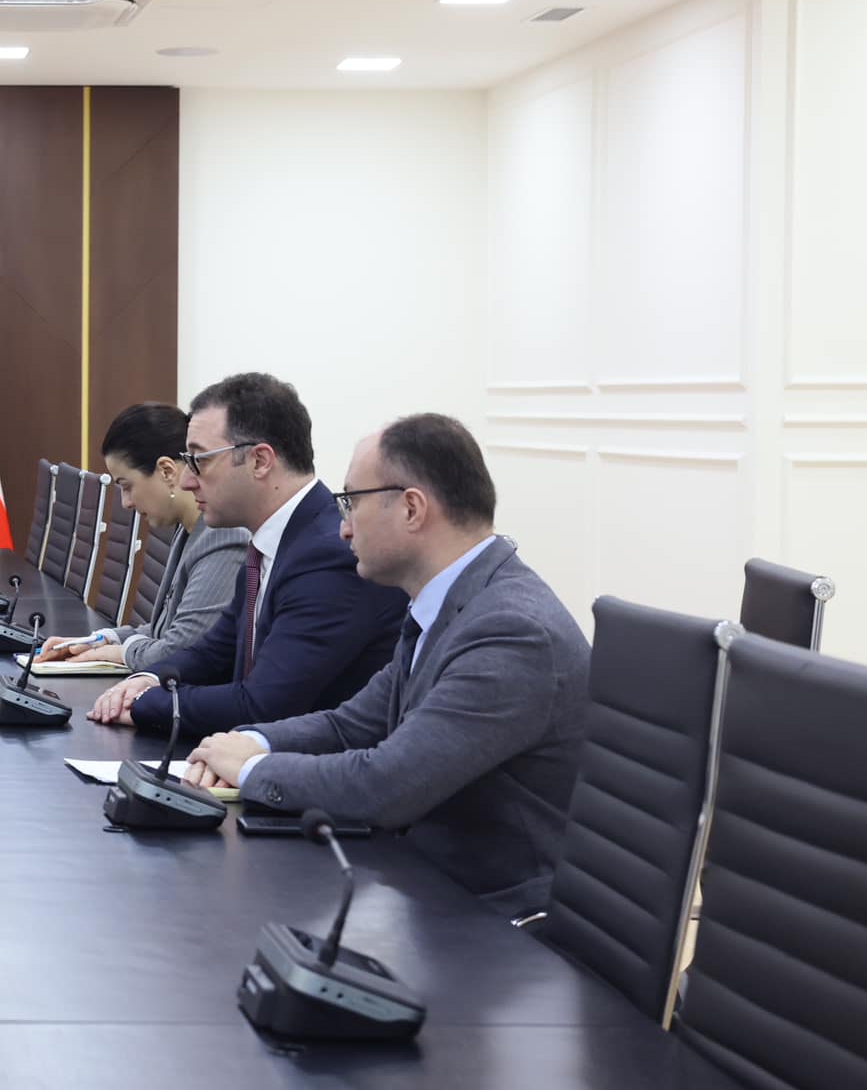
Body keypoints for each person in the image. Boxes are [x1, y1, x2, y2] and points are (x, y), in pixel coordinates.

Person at [184, 414, 591, 913]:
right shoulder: (451, 602)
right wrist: (251, 741)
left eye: (351, 503)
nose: (343, 528)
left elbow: (387, 785)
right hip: (425, 885)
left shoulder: (511, 632)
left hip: (494, 915)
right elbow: (352, 725)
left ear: (412, 509)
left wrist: (252, 770)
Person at [88, 373, 405, 735]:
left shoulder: (327, 556)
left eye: (200, 461)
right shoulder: (270, 541)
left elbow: (263, 704)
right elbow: (213, 652)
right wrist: (146, 679)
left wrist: (143, 704)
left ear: (259, 461)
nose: (187, 481)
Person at [33, 402, 248, 671]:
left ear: (167, 471)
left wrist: (120, 653)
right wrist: (99, 641)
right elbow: (164, 628)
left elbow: (180, 651)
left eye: (127, 486)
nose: (125, 503)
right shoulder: (188, 528)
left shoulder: (223, 536)